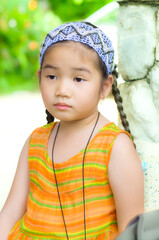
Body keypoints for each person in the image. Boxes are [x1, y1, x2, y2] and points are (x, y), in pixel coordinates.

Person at [0, 21, 144, 240]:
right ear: (39, 77)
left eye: (78, 79)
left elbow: (131, 228)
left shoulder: (115, 146)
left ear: (105, 86)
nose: (62, 90)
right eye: (52, 77)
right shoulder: (36, 141)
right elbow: (10, 213)